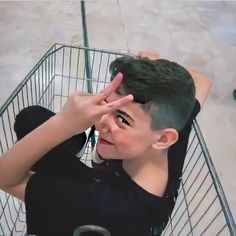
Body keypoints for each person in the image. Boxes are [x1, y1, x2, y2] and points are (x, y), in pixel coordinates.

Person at [0, 51, 211, 236]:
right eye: (107, 106)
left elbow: (5, 179)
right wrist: (154, 68)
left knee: (31, 122)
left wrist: (63, 124)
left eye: (122, 119)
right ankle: (96, 156)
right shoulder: (167, 136)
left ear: (163, 138)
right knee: (32, 119)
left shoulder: (105, 207)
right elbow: (202, 82)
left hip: (99, 205)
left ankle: (84, 152)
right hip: (111, 180)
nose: (101, 122)